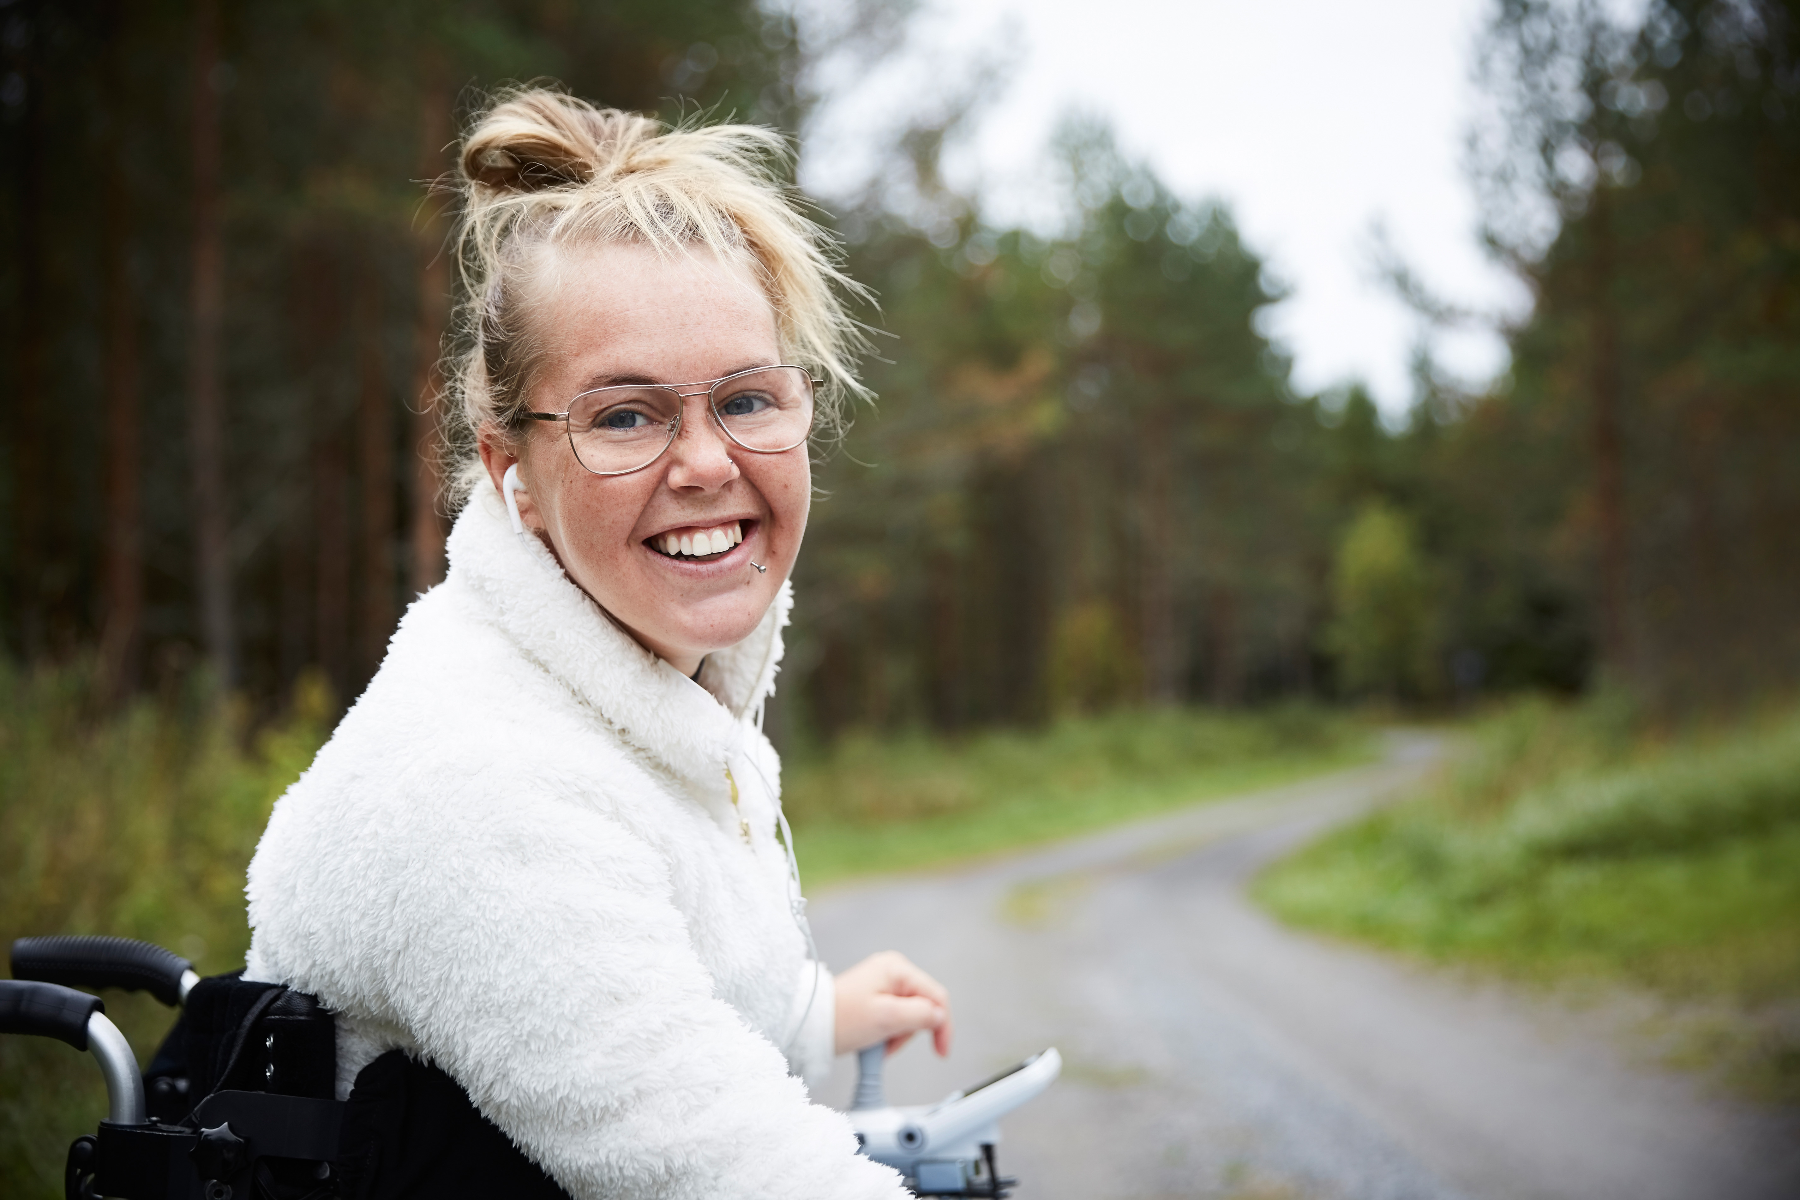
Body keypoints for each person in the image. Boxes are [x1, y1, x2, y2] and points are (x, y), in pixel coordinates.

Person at [242, 89, 950, 1199]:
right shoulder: (481, 783)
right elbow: (731, 1172)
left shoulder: (632, 690)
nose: (708, 463)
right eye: (626, 416)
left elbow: (635, 994)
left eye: (750, 399)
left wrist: (821, 1013)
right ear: (512, 473)